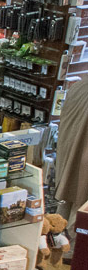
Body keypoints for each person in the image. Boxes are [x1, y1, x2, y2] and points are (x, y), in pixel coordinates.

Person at [55, 76, 88, 244]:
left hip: (69, 155)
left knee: (67, 201)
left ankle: (59, 238)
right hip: (82, 162)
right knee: (80, 205)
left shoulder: (79, 87)